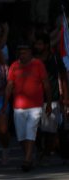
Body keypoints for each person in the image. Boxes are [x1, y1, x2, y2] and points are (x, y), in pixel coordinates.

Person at [2, 42, 52, 172]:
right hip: (18, 106)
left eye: (25, 52)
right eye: (20, 52)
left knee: (31, 130)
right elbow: (9, 86)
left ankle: (27, 159)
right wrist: (5, 104)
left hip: (35, 105)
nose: (22, 54)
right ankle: (29, 155)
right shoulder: (14, 66)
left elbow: (46, 84)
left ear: (30, 52)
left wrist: (49, 103)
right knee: (21, 136)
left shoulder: (38, 64)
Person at [33, 33, 68, 165]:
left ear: (46, 45)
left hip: (52, 98)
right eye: (36, 44)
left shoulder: (54, 58)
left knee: (50, 129)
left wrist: (65, 96)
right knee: (35, 129)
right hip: (34, 100)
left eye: (40, 44)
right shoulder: (32, 59)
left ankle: (46, 154)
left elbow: (63, 77)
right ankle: (38, 149)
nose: (37, 46)